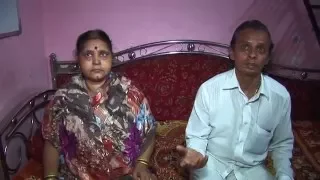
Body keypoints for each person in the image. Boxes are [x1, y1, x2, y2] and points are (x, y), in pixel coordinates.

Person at [176, 20, 294, 180]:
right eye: (245, 47)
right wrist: (197, 154)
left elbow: (282, 144)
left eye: (260, 49)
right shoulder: (209, 90)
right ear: (232, 52)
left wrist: (284, 176)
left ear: (267, 58)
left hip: (253, 169)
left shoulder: (280, 97)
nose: (252, 55)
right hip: (211, 164)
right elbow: (197, 135)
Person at [42, 29, 157, 180]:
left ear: (112, 58)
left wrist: (142, 164)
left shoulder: (130, 93)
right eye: (88, 54)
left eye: (103, 54)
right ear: (78, 59)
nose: (96, 61)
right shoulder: (63, 98)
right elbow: (52, 142)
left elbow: (149, 132)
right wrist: (50, 177)